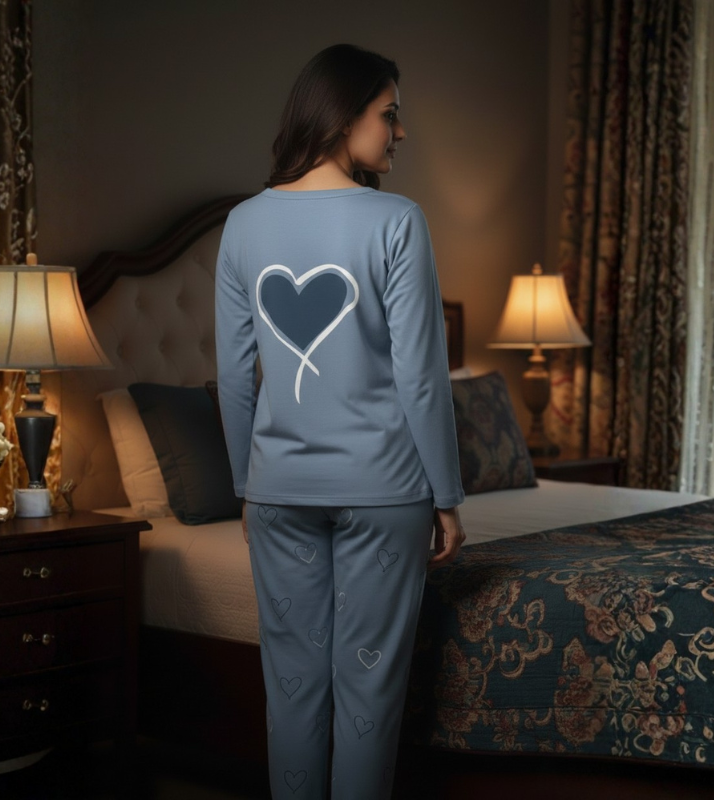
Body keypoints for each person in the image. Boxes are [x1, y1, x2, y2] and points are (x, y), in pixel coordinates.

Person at [215, 43, 465, 800]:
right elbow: (421, 377)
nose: (400, 132)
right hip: (384, 492)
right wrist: (447, 496)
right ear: (343, 115)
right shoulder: (398, 221)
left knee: (290, 689)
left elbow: (235, 378)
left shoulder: (243, 224)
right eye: (390, 115)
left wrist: (247, 486)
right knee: (368, 697)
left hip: (278, 492)